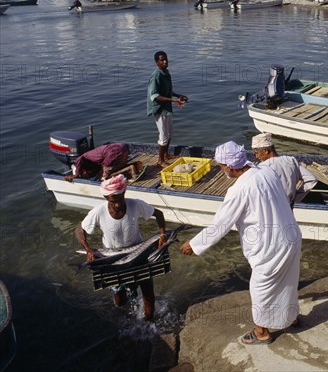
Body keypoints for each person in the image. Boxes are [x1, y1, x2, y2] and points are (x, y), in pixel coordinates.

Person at [180, 142, 301, 345]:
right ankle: (292, 317)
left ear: (229, 166)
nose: (222, 170)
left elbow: (221, 224)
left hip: (271, 246)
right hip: (291, 236)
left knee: (260, 288)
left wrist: (193, 244)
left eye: (220, 166)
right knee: (288, 281)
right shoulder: (266, 171)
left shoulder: (239, 189)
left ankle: (262, 331)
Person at [75, 175, 167, 320]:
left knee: (148, 293)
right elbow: (80, 229)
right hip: (113, 259)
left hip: (138, 253)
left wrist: (162, 234)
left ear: (124, 193)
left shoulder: (135, 205)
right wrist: (88, 249)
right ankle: (124, 321)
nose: (117, 204)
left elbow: (158, 214)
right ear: (106, 197)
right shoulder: (99, 211)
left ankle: (149, 322)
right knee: (120, 298)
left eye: (119, 199)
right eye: (112, 201)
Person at [147, 51, 188, 168]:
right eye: (161, 60)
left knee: (170, 134)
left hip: (167, 108)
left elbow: (167, 91)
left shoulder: (166, 73)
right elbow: (155, 96)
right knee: (163, 136)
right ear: (156, 62)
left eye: (166, 59)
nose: (165, 62)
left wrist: (177, 96)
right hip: (159, 109)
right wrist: (173, 101)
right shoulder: (156, 75)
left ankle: (165, 154)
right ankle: (160, 160)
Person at [251, 133, 317, 205]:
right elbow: (311, 179)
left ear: (265, 151)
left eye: (256, 153)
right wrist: (296, 198)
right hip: (288, 205)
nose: (257, 156)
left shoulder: (263, 167)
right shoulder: (291, 161)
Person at [64, 142, 141, 182]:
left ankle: (130, 168)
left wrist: (77, 174)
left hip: (113, 151)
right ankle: (131, 167)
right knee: (112, 169)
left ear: (83, 170)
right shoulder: (93, 162)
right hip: (122, 147)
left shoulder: (83, 158)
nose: (86, 175)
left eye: (84, 174)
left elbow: (79, 159)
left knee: (105, 177)